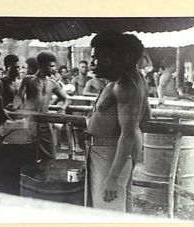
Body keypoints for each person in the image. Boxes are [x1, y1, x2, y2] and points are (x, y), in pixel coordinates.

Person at [85, 30, 151, 212]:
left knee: (108, 209)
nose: (92, 62)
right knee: (118, 206)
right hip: (112, 152)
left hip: (110, 153)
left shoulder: (124, 85)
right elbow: (146, 117)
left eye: (97, 57)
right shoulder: (136, 79)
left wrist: (113, 178)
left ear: (113, 58)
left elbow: (127, 135)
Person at [14, 51, 69, 161]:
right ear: (41, 65)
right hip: (31, 122)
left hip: (45, 123)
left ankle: (44, 177)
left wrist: (62, 108)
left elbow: (66, 98)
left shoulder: (53, 83)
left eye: (54, 66)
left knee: (50, 157)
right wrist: (16, 107)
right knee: (29, 155)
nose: (54, 69)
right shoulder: (28, 80)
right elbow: (19, 97)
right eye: (51, 66)